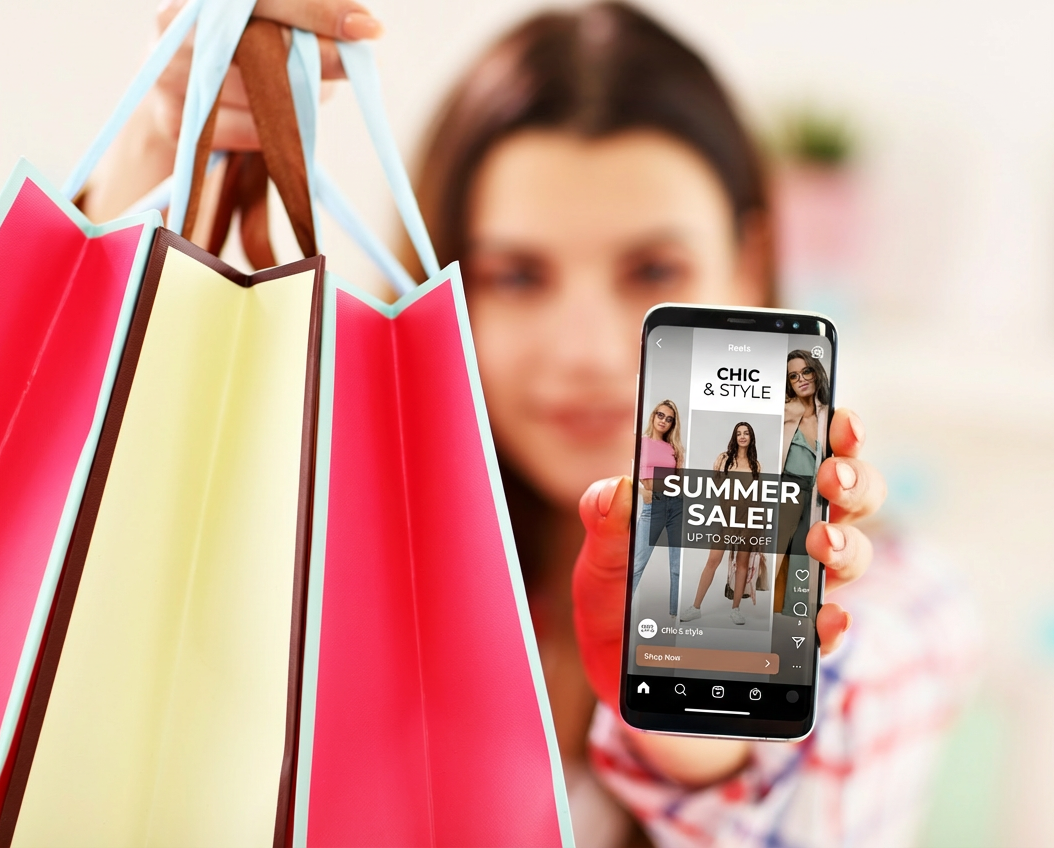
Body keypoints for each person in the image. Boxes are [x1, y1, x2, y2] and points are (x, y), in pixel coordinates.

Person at [90, 2, 976, 846]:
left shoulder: (899, 615)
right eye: (517, 276)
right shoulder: (330, 553)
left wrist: (690, 732)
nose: (585, 351)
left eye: (652, 267)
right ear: (450, 288)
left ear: (746, 263)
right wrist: (167, 128)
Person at [679, 422, 763, 625]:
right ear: (734, 437)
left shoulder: (755, 465)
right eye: (739, 433)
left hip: (746, 520)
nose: (742, 436)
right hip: (724, 518)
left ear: (751, 437)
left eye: (746, 433)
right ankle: (696, 607)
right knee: (712, 561)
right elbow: (715, 488)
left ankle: (735, 610)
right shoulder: (725, 459)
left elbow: (756, 497)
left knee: (742, 565)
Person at [773, 349, 828, 614]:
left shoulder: (829, 417)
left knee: (804, 559)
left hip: (816, 492)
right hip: (787, 488)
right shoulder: (783, 412)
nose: (801, 379)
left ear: (816, 372)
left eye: (806, 371)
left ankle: (792, 618)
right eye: (793, 376)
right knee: (774, 556)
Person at [631, 400, 684, 614]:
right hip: (653, 504)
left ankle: (674, 614)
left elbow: (679, 480)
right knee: (637, 564)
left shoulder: (674, 448)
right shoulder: (640, 442)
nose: (664, 421)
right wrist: (643, 492)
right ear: (653, 416)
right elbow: (629, 471)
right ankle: (620, 612)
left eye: (669, 419)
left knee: (676, 568)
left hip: (675, 504)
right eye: (661, 415)